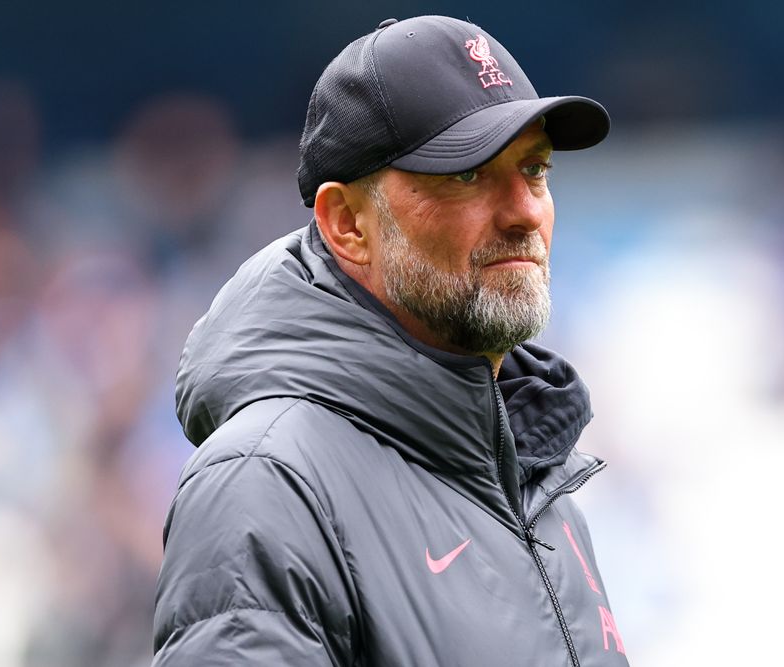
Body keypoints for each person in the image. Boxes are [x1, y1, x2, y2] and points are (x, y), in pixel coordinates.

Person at [152, 15, 628, 666]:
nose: (525, 211)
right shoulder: (266, 482)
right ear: (348, 223)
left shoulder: (540, 482)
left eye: (535, 170)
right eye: (468, 175)